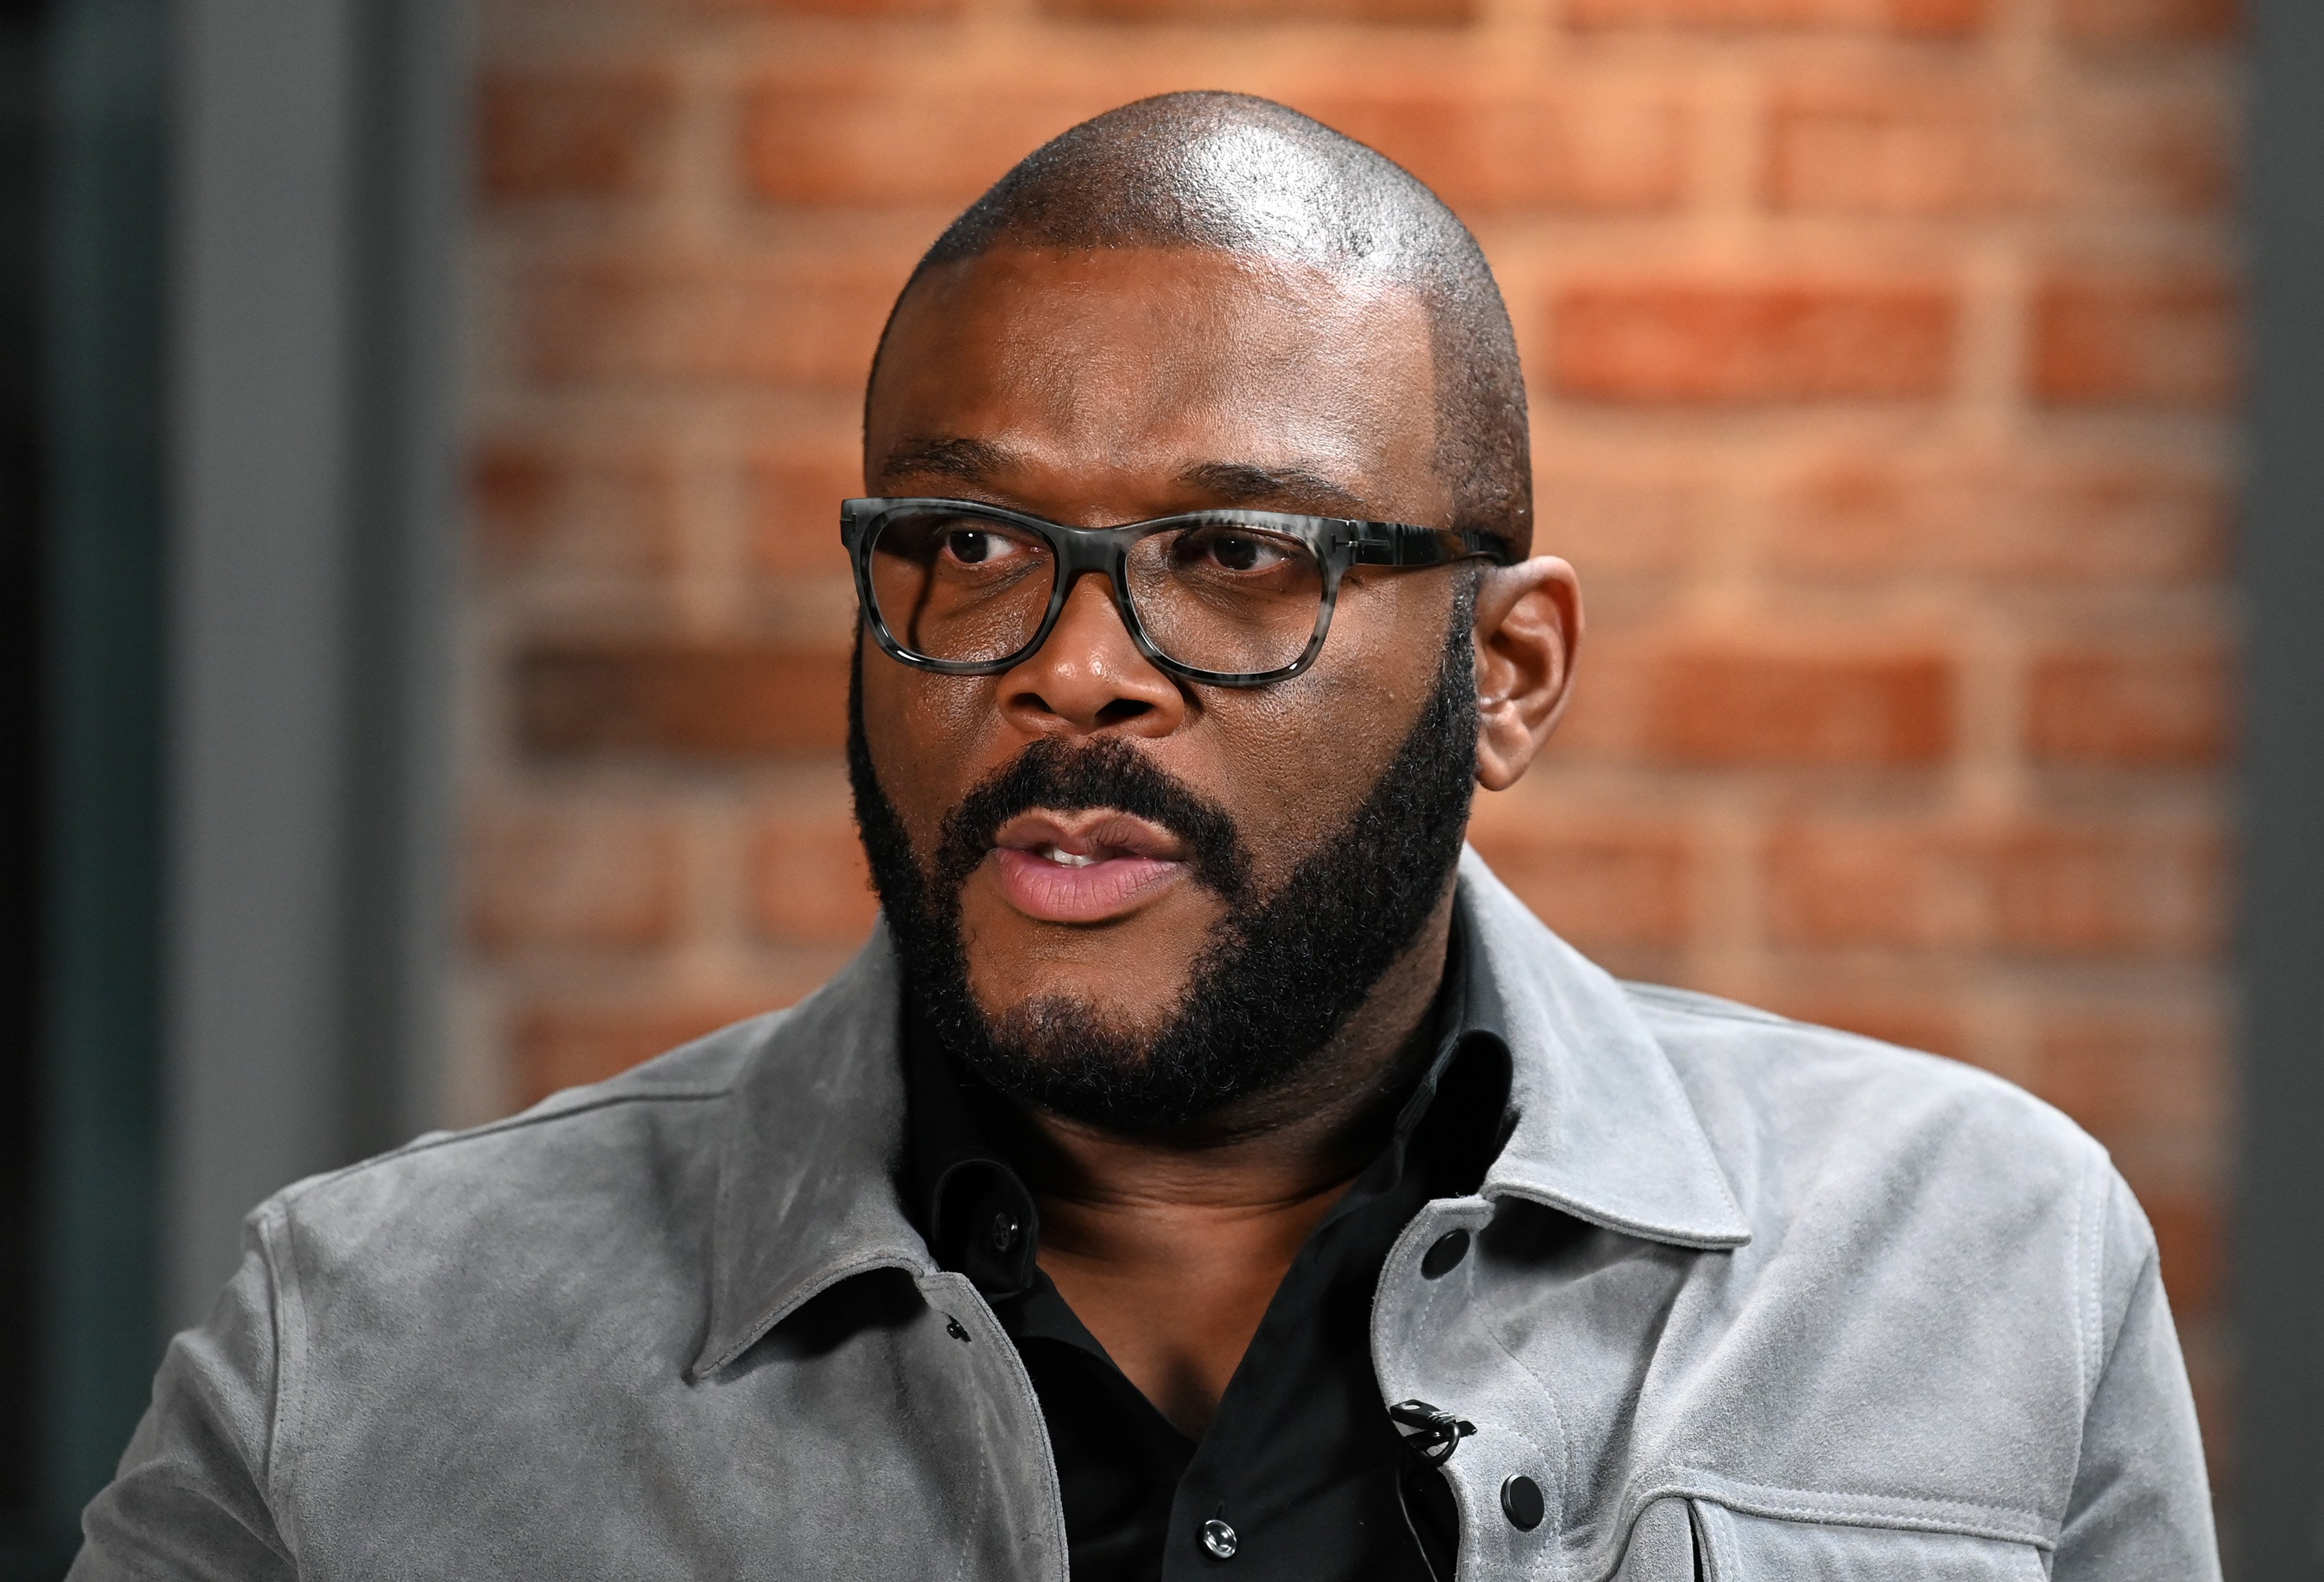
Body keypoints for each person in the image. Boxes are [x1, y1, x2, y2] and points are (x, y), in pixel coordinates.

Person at [72, 92, 2218, 1582]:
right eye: (971, 538)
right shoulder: (362, 1355)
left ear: (1512, 673)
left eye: (1236, 553)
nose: (1073, 666)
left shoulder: (1978, 1265)